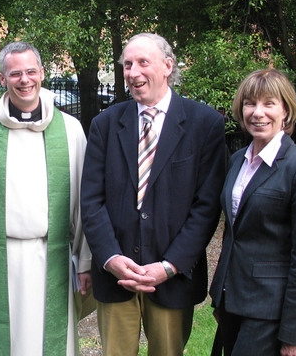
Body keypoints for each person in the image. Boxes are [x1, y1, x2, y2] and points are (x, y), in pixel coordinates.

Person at [0, 41, 93, 356]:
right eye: (15, 73)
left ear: (42, 73)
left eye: (31, 71)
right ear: (1, 78)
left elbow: (85, 201)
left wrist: (85, 262)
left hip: (53, 259)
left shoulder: (71, 131)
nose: (25, 80)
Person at [80, 32, 227, 356]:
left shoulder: (205, 125)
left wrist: (170, 265)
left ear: (167, 66)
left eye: (142, 62)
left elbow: (206, 207)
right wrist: (111, 258)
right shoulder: (105, 124)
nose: (132, 72)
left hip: (172, 280)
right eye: (127, 65)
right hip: (116, 278)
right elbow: (91, 200)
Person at [209, 69, 296, 356]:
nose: (257, 112)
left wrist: (295, 335)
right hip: (230, 302)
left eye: (269, 103)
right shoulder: (238, 160)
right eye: (250, 103)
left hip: (268, 314)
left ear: (286, 110)